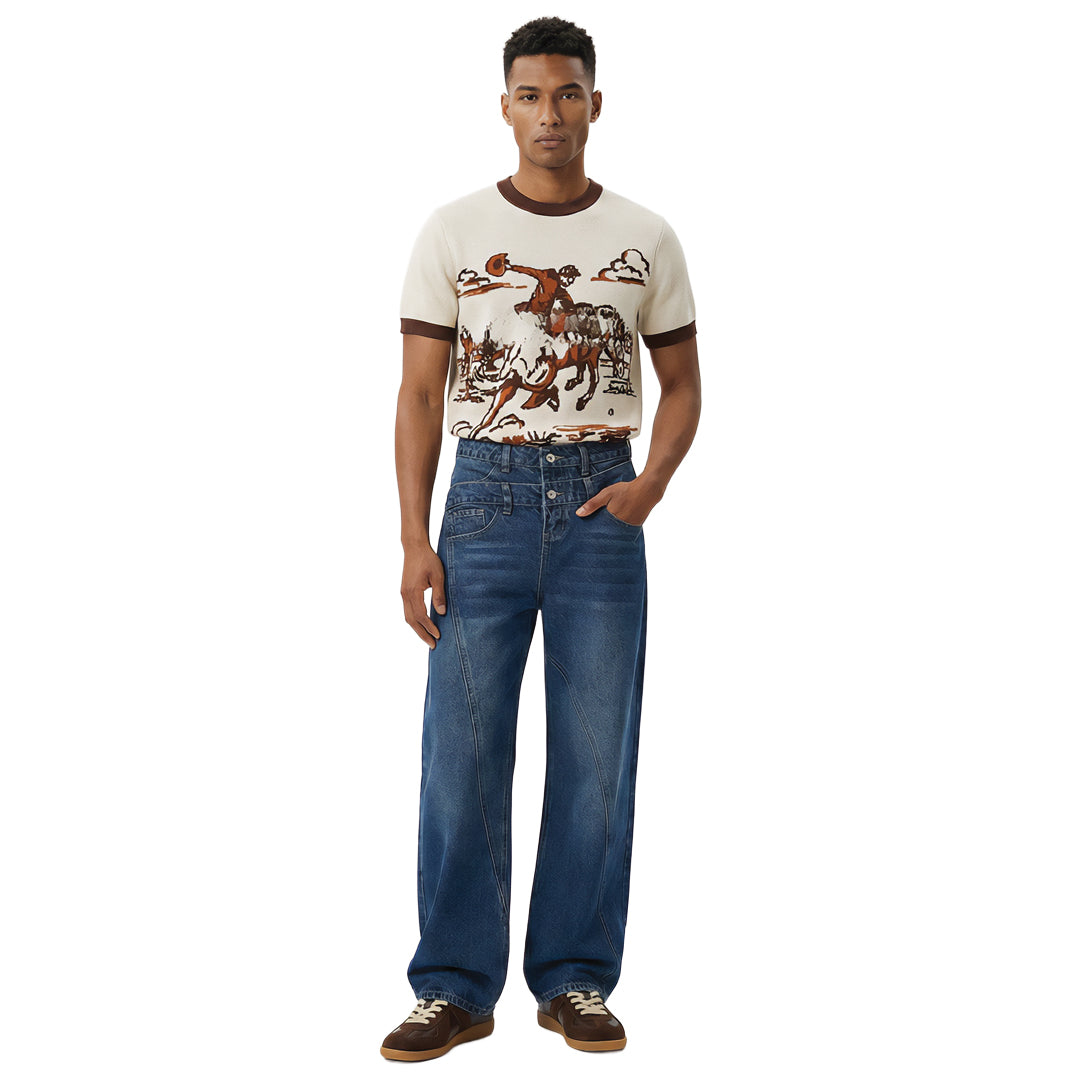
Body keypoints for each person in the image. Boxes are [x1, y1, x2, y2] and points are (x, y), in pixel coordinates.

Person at [382, 16, 701, 1062]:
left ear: (594, 105)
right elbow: (419, 393)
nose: (550, 114)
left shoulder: (646, 236)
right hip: (483, 502)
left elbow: (683, 382)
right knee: (461, 751)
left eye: (568, 94)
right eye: (531, 95)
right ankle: (453, 986)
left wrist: (650, 484)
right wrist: (413, 537)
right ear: (505, 106)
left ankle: (573, 978)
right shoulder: (454, 230)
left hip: (602, 502)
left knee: (596, 754)